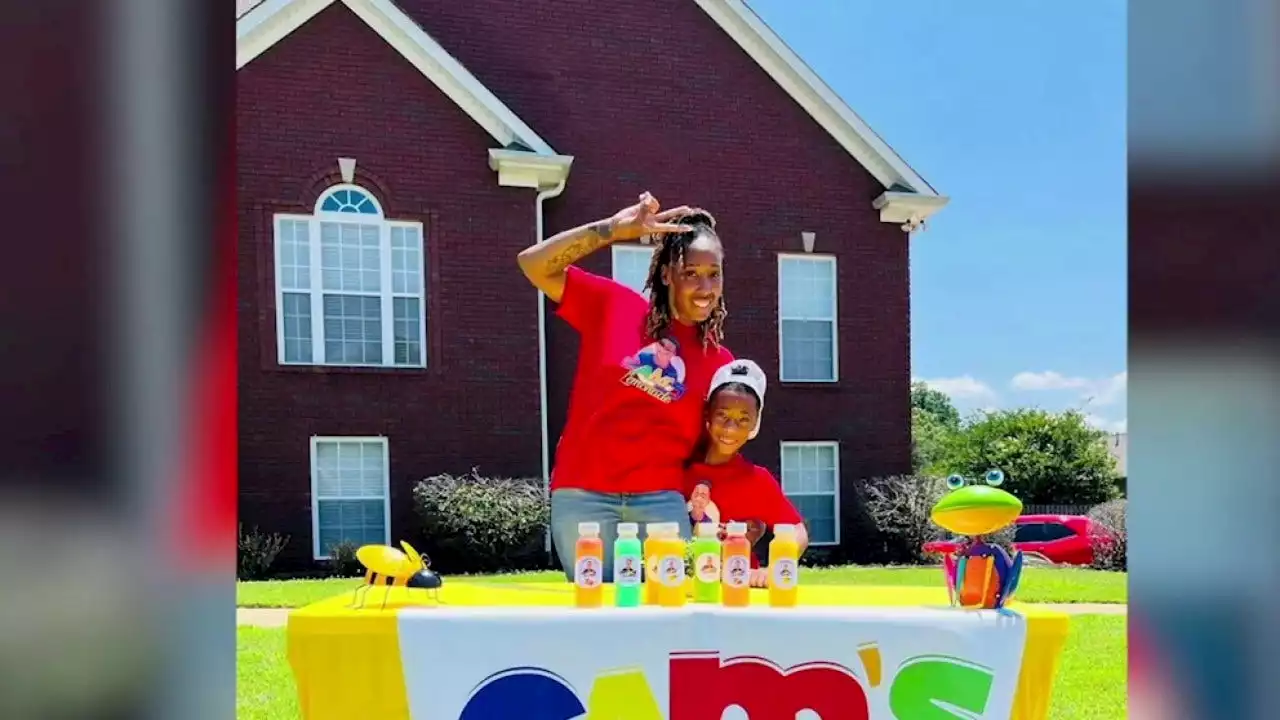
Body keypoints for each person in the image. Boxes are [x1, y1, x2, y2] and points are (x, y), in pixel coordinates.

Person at [517, 192, 734, 581]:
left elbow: (712, 451)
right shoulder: (615, 307)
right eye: (691, 272)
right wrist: (612, 231)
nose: (704, 286)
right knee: (593, 621)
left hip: (661, 505)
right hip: (584, 498)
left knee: (665, 618)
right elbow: (533, 264)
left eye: (713, 273)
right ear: (667, 274)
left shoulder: (721, 363)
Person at [682, 359, 808, 587]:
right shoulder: (679, 471)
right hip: (686, 589)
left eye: (743, 420)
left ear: (754, 426)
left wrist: (775, 567)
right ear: (708, 418)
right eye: (723, 416)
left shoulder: (757, 479)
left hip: (739, 590)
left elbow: (796, 531)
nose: (731, 429)